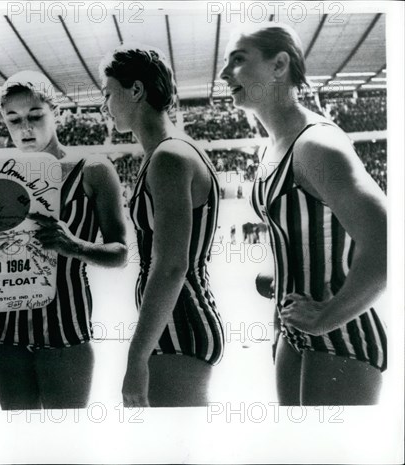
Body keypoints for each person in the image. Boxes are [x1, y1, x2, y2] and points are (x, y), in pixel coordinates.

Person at [220, 24, 387, 405]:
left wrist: (328, 316)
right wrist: (280, 275)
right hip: (296, 333)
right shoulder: (272, 148)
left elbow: (390, 244)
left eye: (238, 60)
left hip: (341, 337)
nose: (224, 73)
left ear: (279, 65)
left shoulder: (316, 145)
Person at [0, 70, 127, 410]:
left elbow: (119, 253)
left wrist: (73, 245)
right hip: (8, 332)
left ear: (57, 113)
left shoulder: (93, 169)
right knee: (18, 443)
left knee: (65, 444)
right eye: (14, 119)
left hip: (66, 330)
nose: (25, 127)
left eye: (35, 116)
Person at [100, 46, 224, 407]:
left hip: (178, 329)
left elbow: (171, 266)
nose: (105, 105)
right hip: (180, 324)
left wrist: (136, 358)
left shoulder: (169, 157)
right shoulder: (173, 151)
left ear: (136, 91)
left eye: (109, 93)